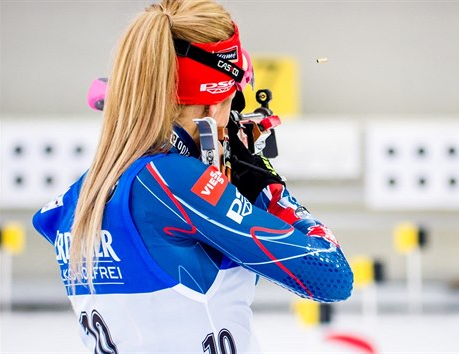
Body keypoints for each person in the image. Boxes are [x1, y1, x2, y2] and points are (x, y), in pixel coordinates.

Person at [31, 1, 353, 353]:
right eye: (233, 101)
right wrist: (265, 185)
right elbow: (331, 274)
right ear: (214, 105)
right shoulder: (172, 183)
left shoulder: (81, 196)